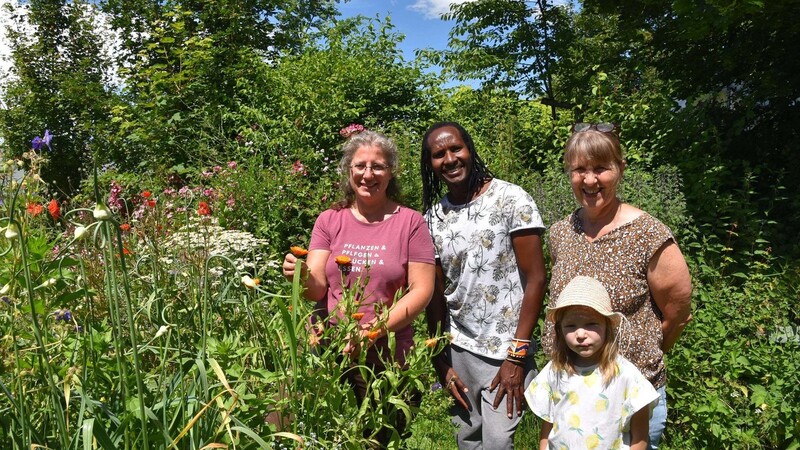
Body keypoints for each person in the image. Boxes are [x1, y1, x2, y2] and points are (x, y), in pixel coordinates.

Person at [282, 129, 436, 446]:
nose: (368, 175)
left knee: (377, 441)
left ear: (391, 172)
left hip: (388, 361)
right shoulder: (329, 220)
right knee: (321, 438)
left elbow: (421, 291)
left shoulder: (410, 222)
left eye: (378, 166)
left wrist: (372, 331)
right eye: (360, 166)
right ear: (348, 170)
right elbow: (316, 289)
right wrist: (299, 276)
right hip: (328, 354)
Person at [545, 122, 693, 449]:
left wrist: (641, 354)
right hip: (570, 397)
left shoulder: (648, 235)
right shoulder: (559, 233)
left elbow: (677, 314)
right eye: (579, 169)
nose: (590, 180)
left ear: (620, 169)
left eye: (601, 168)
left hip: (630, 402)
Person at [420, 121, 547, 449]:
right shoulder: (432, 218)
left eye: (456, 149)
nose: (449, 159)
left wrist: (516, 357)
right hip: (458, 347)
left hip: (504, 349)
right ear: (430, 164)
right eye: (438, 154)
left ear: (470, 149)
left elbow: (536, 279)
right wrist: (439, 359)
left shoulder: (510, 199)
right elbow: (434, 295)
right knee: (467, 439)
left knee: (497, 442)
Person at [526, 275, 660, 450]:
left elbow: (640, 437)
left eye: (591, 324)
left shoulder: (625, 375)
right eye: (571, 326)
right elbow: (548, 425)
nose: (580, 334)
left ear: (607, 326)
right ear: (559, 330)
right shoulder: (556, 370)